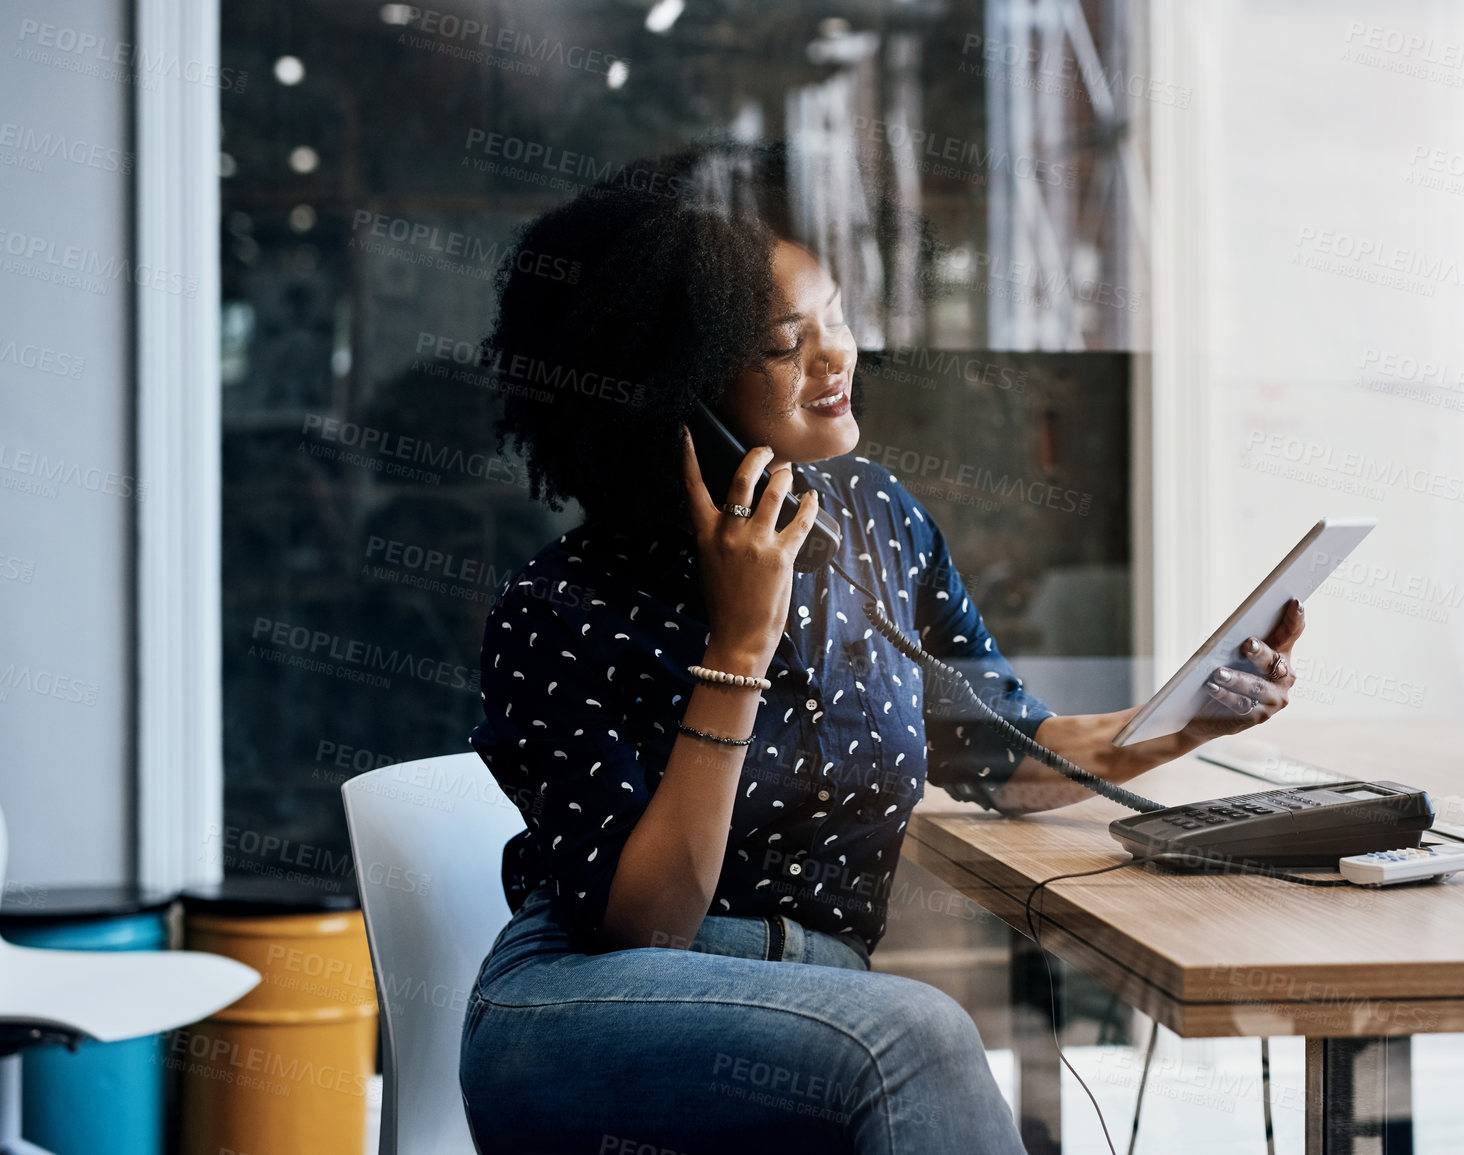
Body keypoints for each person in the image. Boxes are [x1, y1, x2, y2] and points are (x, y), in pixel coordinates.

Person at [457, 150, 1305, 1154]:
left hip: (819, 1003)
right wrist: (739, 643)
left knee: (912, 1045)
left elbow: (1009, 754)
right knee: (921, 1037)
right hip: (585, 1009)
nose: (836, 357)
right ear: (678, 393)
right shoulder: (559, 608)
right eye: (785, 344)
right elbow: (649, 930)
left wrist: (1188, 718)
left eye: (840, 315)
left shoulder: (872, 522)